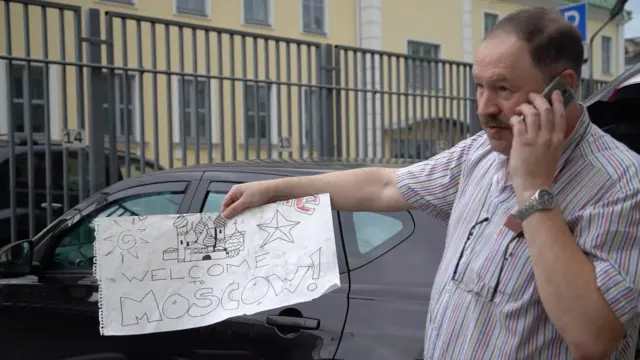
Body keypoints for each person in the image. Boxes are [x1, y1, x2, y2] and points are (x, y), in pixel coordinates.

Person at [220, 7, 640, 360]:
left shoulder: (620, 182)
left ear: (562, 88)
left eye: (504, 89)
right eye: (478, 86)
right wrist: (272, 190)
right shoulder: (480, 153)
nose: (484, 108)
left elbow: (593, 338)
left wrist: (532, 191)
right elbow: (385, 186)